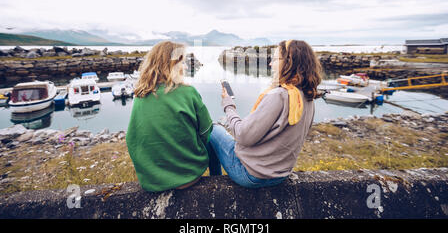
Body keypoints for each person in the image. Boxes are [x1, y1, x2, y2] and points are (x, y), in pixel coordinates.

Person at [209, 40, 321, 188]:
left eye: (275, 59)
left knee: (213, 129)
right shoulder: (307, 97)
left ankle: (214, 182)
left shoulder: (279, 96)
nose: (270, 64)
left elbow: (243, 136)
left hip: (251, 175)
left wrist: (228, 105)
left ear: (289, 62)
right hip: (280, 175)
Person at [126, 41, 221, 192]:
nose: (185, 67)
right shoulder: (188, 92)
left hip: (151, 182)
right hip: (188, 177)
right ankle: (217, 181)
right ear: (170, 65)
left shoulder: (140, 94)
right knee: (215, 132)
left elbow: (132, 138)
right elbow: (205, 133)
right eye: (182, 62)